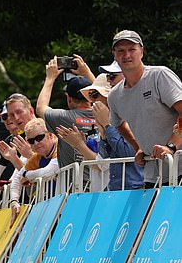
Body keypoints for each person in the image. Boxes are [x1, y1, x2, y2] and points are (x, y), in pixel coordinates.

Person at [106, 30, 182, 187]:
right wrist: (138, 147)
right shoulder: (114, 95)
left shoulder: (159, 75)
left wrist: (172, 146)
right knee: (154, 212)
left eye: (132, 49)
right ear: (114, 55)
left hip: (179, 167)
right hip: (153, 174)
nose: (126, 55)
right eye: (121, 51)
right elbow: (118, 125)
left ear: (142, 51)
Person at [78, 73, 144, 190]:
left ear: (109, 96)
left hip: (134, 188)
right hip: (116, 187)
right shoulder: (106, 121)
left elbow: (128, 153)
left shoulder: (128, 115)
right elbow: (105, 156)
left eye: (95, 95)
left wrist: (107, 125)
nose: (92, 101)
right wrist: (104, 134)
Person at [36, 55, 96, 169]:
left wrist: (50, 78)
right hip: (103, 182)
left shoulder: (64, 118)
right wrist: (87, 73)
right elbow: (107, 96)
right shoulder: (105, 114)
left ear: (68, 98)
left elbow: (40, 107)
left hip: (73, 184)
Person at [0, 118, 59, 225]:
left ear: (50, 135)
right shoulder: (37, 157)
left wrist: (27, 175)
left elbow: (49, 171)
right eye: (31, 141)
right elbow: (17, 179)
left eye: (39, 138)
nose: (36, 143)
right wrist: (14, 202)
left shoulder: (60, 146)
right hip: (52, 207)